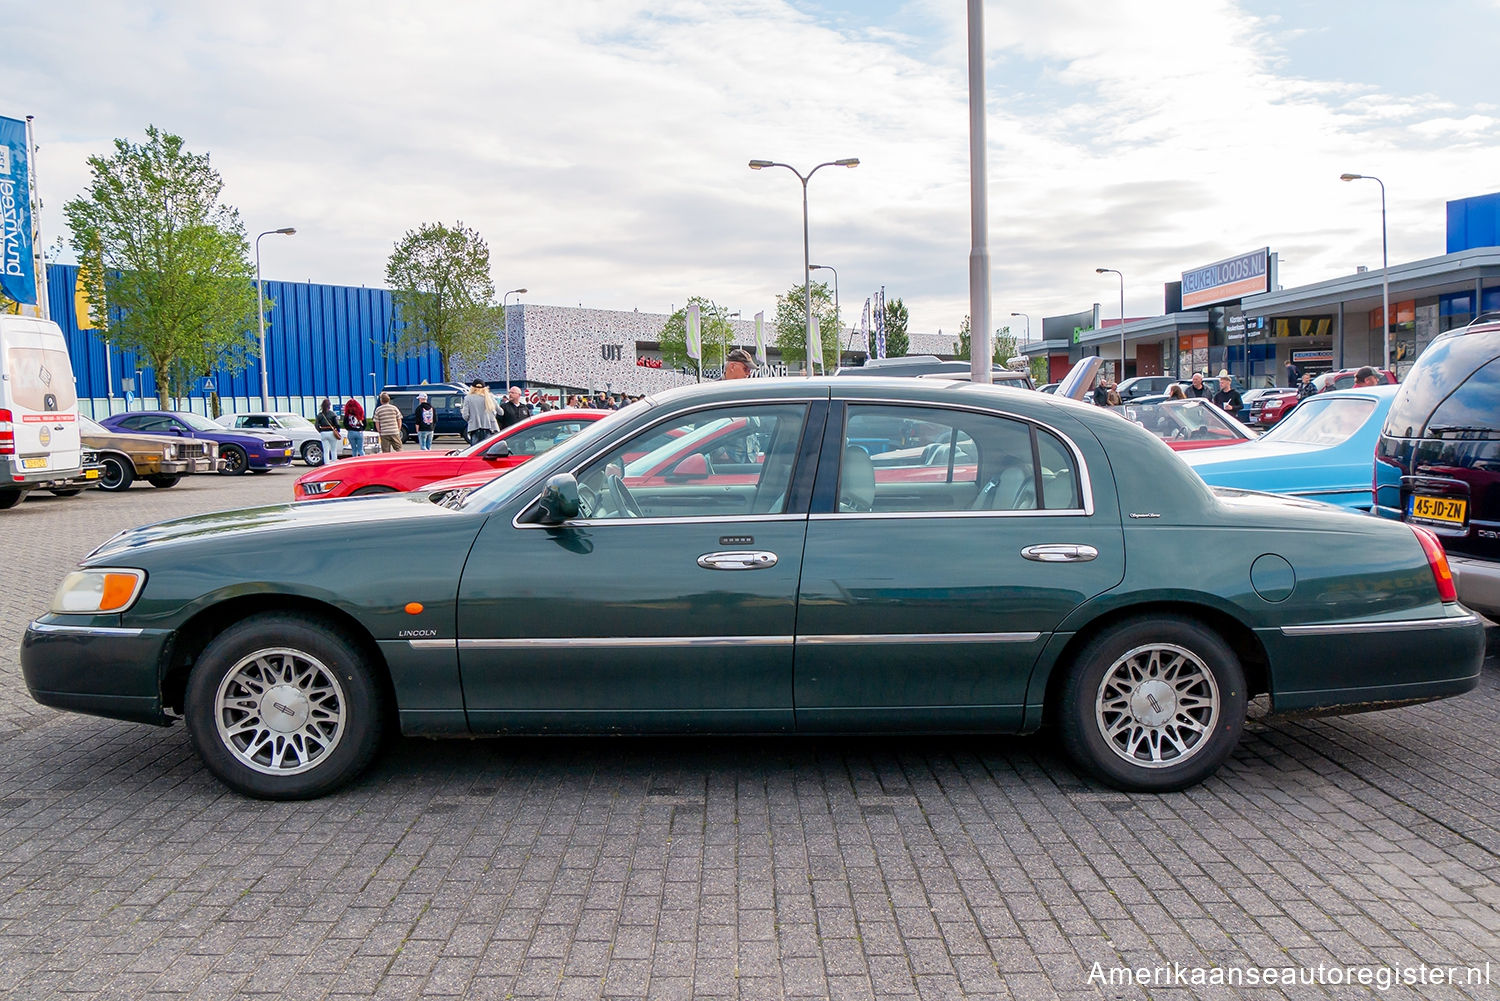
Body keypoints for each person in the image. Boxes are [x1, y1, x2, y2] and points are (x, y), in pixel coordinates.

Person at [462, 379, 498, 444]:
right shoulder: (490, 397)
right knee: (487, 450)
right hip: (489, 428)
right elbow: (500, 412)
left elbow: (465, 415)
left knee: (475, 450)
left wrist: (471, 420)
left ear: (472, 388)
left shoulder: (468, 398)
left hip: (474, 428)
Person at [314, 398, 341, 465]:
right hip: (331, 432)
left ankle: (326, 463)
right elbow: (337, 424)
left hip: (323, 432)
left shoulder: (320, 415)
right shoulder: (332, 414)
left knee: (325, 450)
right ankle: (334, 463)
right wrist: (337, 431)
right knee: (333, 449)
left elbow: (316, 425)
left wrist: (320, 431)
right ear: (329, 405)